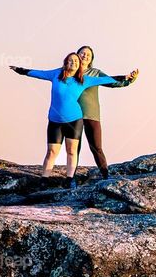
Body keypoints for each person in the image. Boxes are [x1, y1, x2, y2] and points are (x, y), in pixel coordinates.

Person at [9, 53, 121, 189]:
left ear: (79, 65)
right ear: (66, 63)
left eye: (76, 61)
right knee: (51, 152)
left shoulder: (83, 79)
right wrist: (20, 70)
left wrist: (126, 78)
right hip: (55, 120)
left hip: (74, 120)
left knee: (72, 151)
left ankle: (70, 179)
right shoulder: (56, 74)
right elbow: (39, 73)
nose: (73, 63)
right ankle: (44, 180)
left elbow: (107, 80)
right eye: (70, 60)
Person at [74, 44, 139, 178]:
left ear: (91, 59)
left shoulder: (95, 73)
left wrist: (129, 81)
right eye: (82, 53)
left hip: (92, 114)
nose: (85, 56)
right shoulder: (69, 72)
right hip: (73, 114)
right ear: (77, 54)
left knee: (96, 147)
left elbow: (111, 82)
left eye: (88, 55)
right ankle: (71, 179)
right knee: (74, 148)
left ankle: (105, 177)